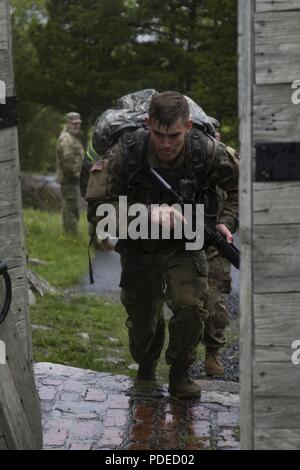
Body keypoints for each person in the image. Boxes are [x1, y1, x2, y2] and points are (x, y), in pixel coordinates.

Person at [87, 92, 239, 400]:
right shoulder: (126, 152)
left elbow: (238, 186)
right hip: (139, 242)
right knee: (143, 316)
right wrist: (146, 213)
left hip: (185, 241)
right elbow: (98, 212)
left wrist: (226, 221)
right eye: (158, 134)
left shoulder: (205, 151)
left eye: (174, 135)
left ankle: (180, 373)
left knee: (190, 307)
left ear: (188, 126)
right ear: (147, 124)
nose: (166, 144)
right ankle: (146, 369)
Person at [202, 116, 239, 377]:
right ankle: (184, 354)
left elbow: (238, 196)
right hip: (185, 239)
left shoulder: (228, 160)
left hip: (216, 238)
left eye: (214, 135)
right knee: (189, 302)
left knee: (215, 303)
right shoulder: (188, 160)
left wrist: (225, 222)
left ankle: (212, 354)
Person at [56, 112, 84, 234]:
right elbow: (67, 162)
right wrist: (76, 174)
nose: (76, 126)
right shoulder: (66, 139)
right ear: (68, 124)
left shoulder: (73, 138)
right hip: (68, 179)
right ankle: (70, 234)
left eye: (78, 123)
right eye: (74, 123)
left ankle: (70, 233)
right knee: (70, 206)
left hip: (72, 179)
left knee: (71, 204)